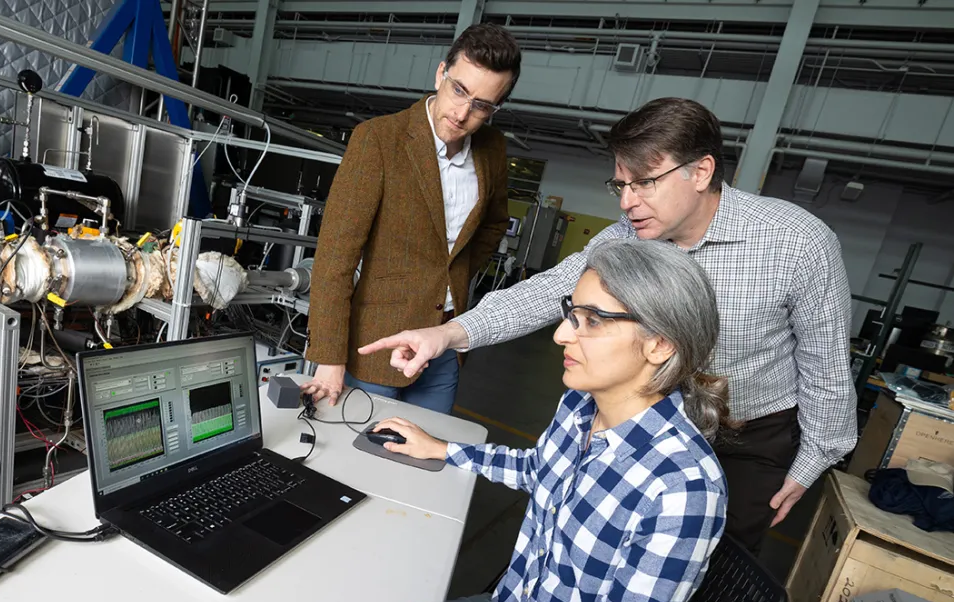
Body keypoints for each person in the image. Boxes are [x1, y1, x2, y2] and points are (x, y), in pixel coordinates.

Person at [360, 97, 857, 554]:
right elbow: (547, 291)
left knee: (714, 568)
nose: (627, 201)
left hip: (744, 440)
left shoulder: (797, 243)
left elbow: (827, 365)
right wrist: (446, 333)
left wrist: (809, 464)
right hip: (640, 427)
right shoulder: (627, 236)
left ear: (702, 171)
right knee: (604, 552)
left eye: (645, 183)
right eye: (621, 184)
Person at [362, 239, 728, 602]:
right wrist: (443, 449)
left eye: (591, 321)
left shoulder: (683, 488)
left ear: (661, 344)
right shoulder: (581, 407)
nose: (561, 336)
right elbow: (541, 471)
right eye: (570, 315)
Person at [300, 23, 521, 415]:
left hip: (444, 346)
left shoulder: (492, 150)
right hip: (376, 346)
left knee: (423, 461)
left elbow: (493, 225)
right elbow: (336, 257)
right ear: (441, 74)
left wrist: (453, 274)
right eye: (459, 90)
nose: (463, 113)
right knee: (359, 468)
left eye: (482, 106)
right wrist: (330, 358)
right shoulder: (378, 140)